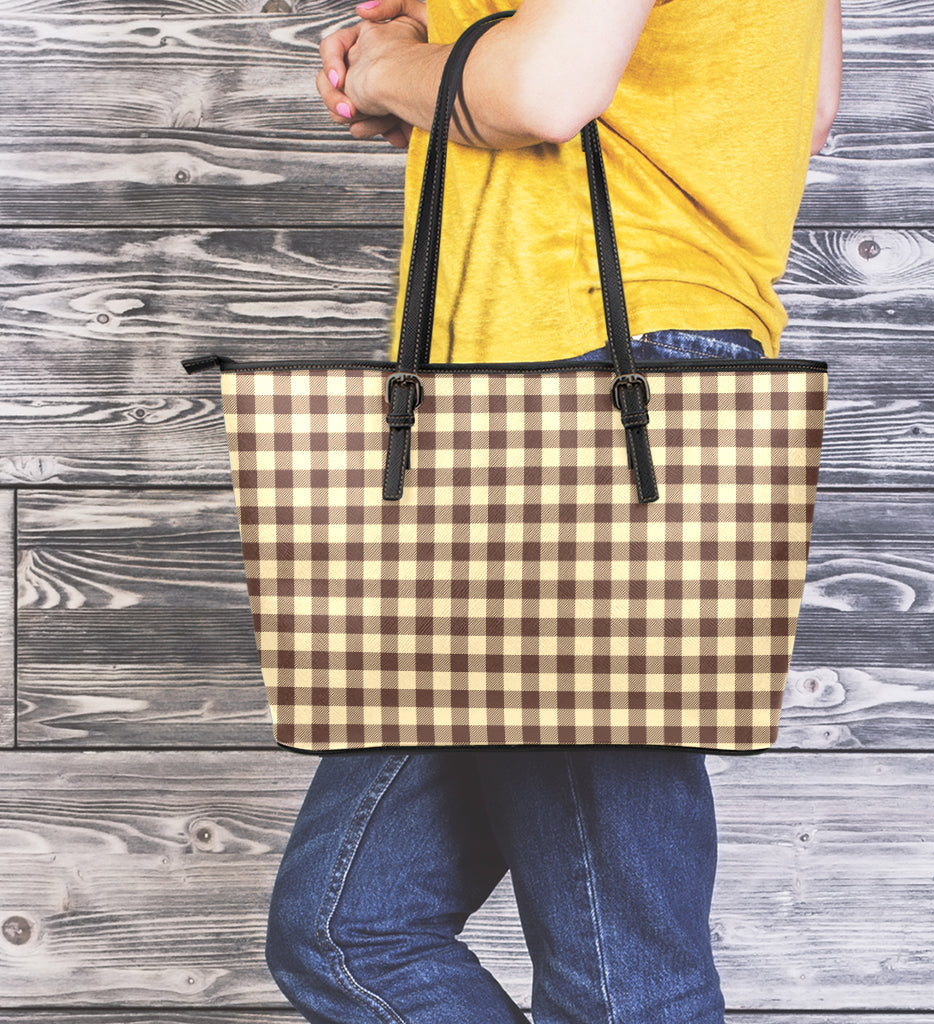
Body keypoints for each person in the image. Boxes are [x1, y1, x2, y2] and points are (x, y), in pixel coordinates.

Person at [264, 2, 842, 1023]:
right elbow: (797, 106)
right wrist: (439, 72)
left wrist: (393, 68)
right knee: (346, 927)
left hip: (582, 383)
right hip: (538, 399)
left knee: (623, 980)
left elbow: (543, 90)